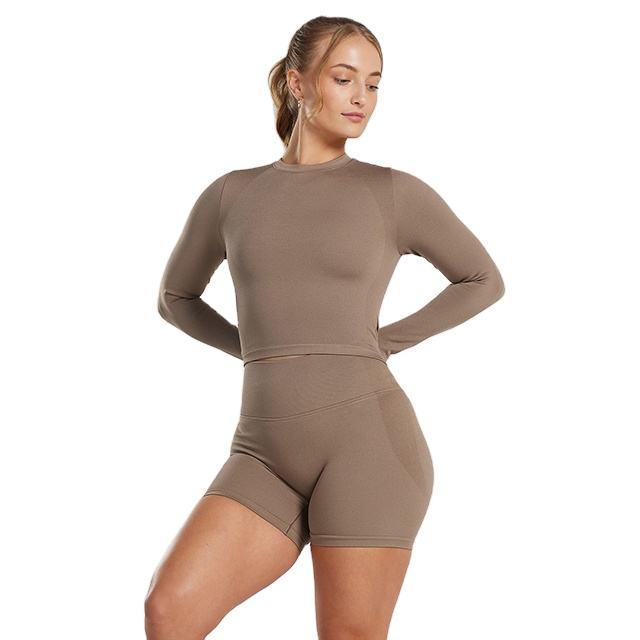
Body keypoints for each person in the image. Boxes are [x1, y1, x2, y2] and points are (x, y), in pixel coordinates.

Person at [145, 16, 505, 640]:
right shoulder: (232, 195)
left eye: (374, 83)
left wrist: (380, 343)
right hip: (262, 451)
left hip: (368, 446)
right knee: (169, 611)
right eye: (344, 79)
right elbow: (176, 298)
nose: (362, 97)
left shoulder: (391, 192)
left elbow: (482, 279)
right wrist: (259, 351)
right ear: (297, 83)